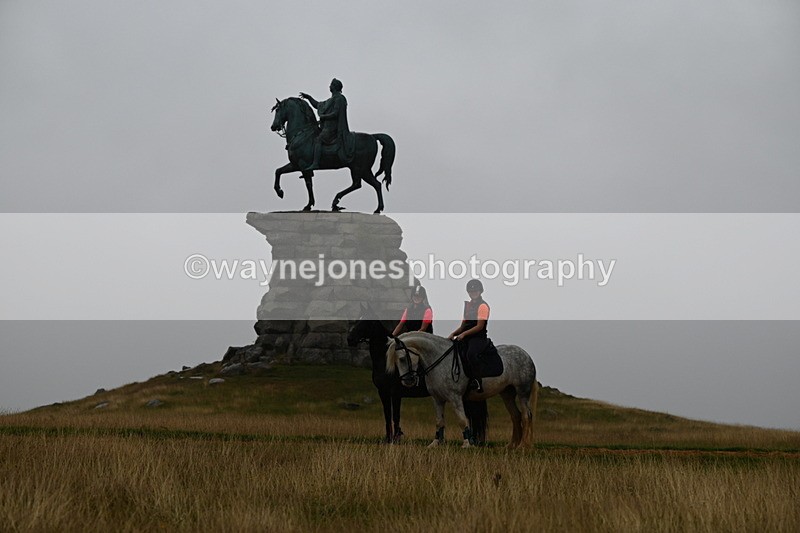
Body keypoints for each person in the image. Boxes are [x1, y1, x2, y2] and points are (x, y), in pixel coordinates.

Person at [299, 78, 355, 171]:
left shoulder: (340, 98)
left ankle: (316, 163)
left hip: (333, 128)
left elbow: (336, 113)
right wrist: (309, 97)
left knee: (318, 140)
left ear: (335, 87)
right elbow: (318, 105)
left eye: (331, 85)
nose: (329, 86)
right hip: (327, 128)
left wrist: (324, 117)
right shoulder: (330, 100)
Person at [449, 279, 491, 393]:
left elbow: (480, 326)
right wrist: (453, 334)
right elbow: (463, 326)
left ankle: (478, 382)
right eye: (471, 291)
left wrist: (464, 334)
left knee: (471, 354)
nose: (473, 293)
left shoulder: (483, 306)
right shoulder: (467, 306)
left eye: (476, 291)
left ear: (480, 291)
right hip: (466, 337)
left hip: (478, 338)